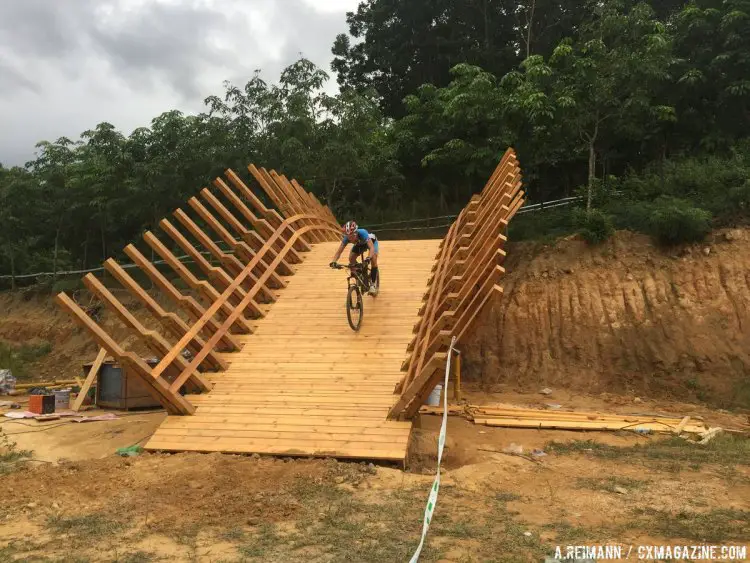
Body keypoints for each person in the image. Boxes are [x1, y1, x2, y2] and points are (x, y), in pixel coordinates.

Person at [329, 220, 379, 295]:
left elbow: (371, 247)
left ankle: (373, 285)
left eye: (352, 236)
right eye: (348, 236)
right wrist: (334, 261)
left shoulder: (363, 233)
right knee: (351, 258)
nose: (350, 239)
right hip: (359, 244)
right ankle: (359, 272)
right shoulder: (347, 238)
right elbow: (339, 251)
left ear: (356, 233)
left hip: (371, 242)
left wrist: (368, 258)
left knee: (373, 258)